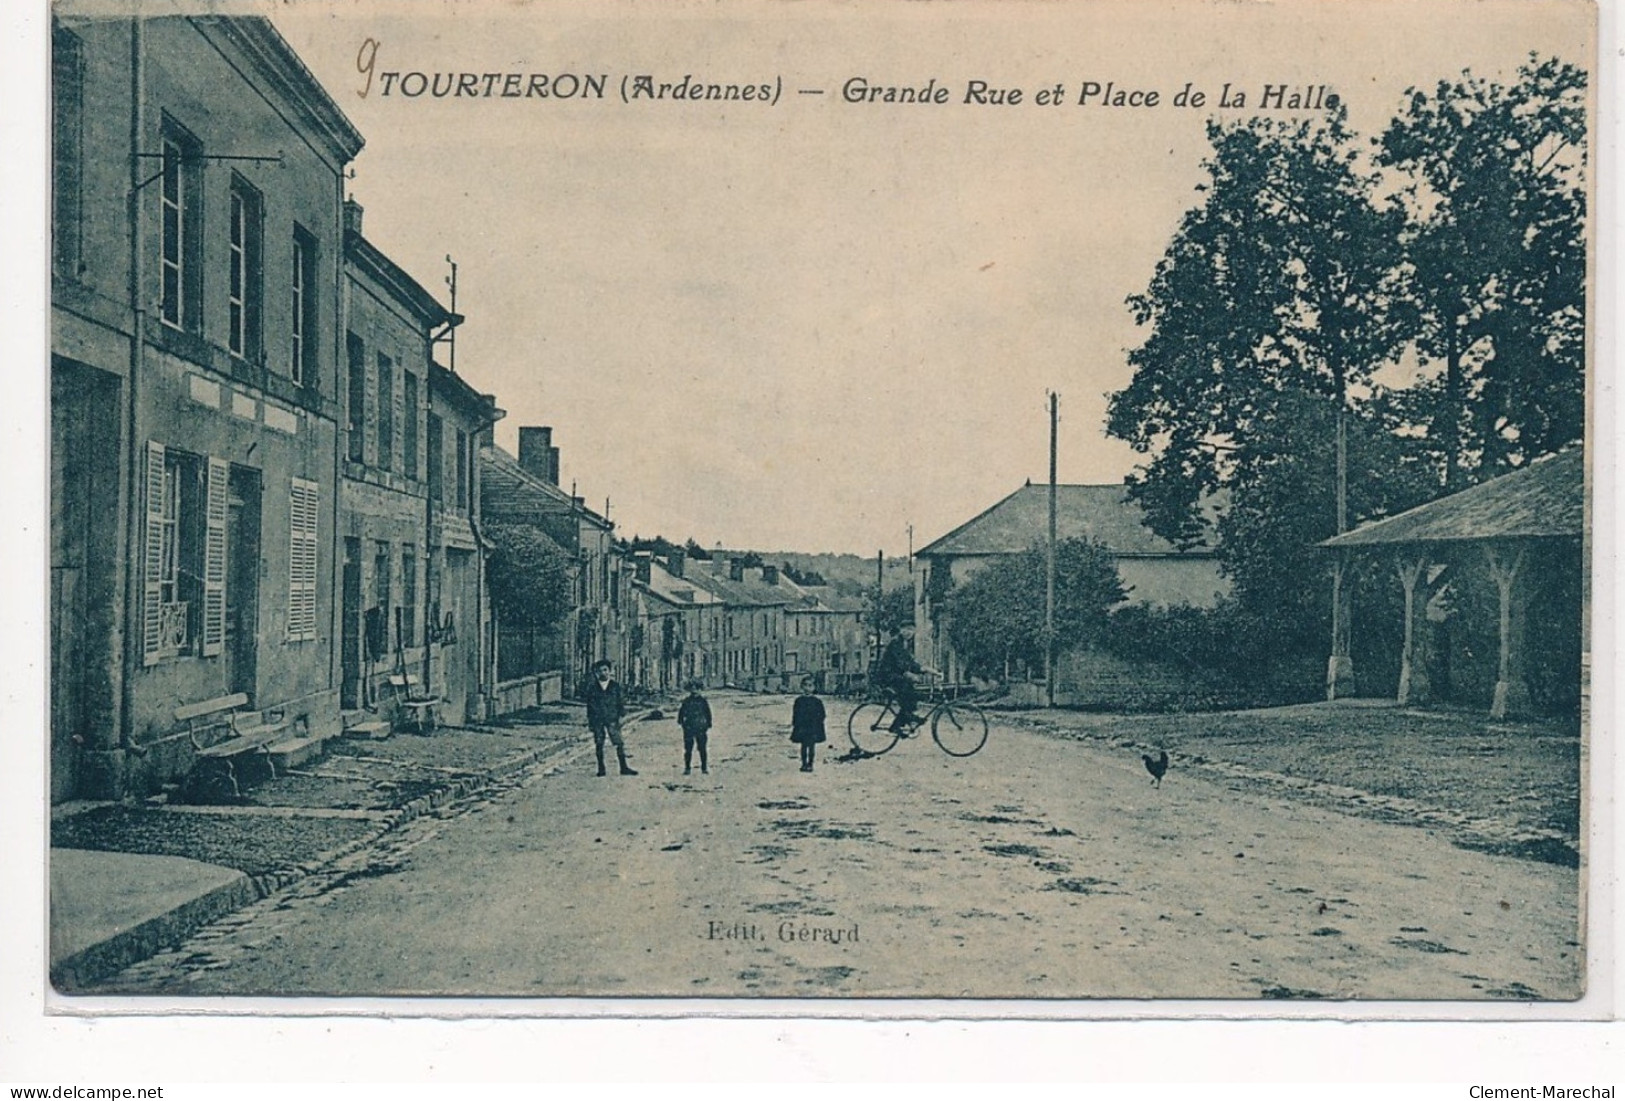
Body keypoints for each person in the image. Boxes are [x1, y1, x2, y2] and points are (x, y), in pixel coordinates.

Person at [581, 659, 637, 777]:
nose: (603, 673)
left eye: (605, 670)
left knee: (618, 742)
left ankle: (624, 767)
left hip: (612, 719)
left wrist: (621, 716)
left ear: (609, 671)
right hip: (598, 719)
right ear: (597, 673)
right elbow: (590, 706)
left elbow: (620, 702)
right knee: (599, 743)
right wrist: (591, 722)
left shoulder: (615, 686)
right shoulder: (593, 688)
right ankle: (601, 768)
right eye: (600, 671)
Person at [874, 626, 923, 733]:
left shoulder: (905, 645)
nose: (909, 632)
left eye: (912, 630)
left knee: (912, 695)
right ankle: (902, 722)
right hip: (887, 676)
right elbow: (901, 664)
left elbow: (911, 664)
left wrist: (930, 671)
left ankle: (901, 721)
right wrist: (910, 675)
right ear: (901, 630)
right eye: (906, 629)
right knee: (907, 689)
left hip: (896, 676)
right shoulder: (896, 643)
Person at [790, 676, 826, 772]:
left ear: (814, 687)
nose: (807, 688)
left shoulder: (817, 702)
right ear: (802, 686)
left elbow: (822, 714)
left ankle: (810, 764)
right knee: (803, 746)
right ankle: (803, 763)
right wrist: (795, 724)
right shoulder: (799, 701)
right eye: (805, 685)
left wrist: (818, 725)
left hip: (812, 728)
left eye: (810, 686)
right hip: (802, 727)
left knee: (811, 746)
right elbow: (795, 713)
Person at [677, 681, 713, 775]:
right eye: (693, 689)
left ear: (700, 690)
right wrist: (681, 722)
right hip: (689, 727)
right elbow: (681, 712)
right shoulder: (687, 701)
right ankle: (687, 768)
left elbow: (708, 713)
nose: (695, 691)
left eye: (697, 689)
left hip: (700, 727)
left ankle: (704, 768)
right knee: (688, 749)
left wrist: (708, 724)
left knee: (702, 748)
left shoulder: (703, 701)